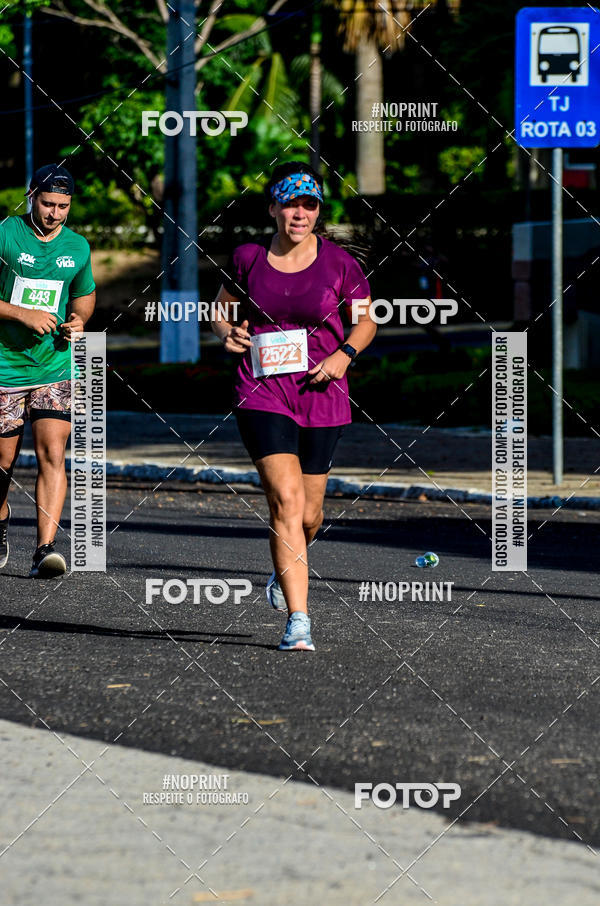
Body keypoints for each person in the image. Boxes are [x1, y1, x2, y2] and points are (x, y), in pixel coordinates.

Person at [211, 161, 376, 651]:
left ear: (317, 211)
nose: (299, 213)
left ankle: (285, 570)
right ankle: (299, 620)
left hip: (322, 392)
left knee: (309, 515)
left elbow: (365, 323)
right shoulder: (247, 257)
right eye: (290, 204)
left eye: (309, 205)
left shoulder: (341, 265)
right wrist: (229, 332)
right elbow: (220, 308)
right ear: (273, 209)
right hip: (262, 391)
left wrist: (344, 355)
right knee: (285, 501)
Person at [0, 163, 96, 577]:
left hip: (54, 365)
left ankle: (45, 549)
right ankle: (1, 522)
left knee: (53, 453)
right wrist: (22, 314)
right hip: (5, 367)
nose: (55, 213)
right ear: (30, 195)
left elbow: (84, 295)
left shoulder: (78, 247)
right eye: (47, 203)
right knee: (3, 463)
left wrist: (79, 320)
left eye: (63, 206)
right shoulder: (5, 233)